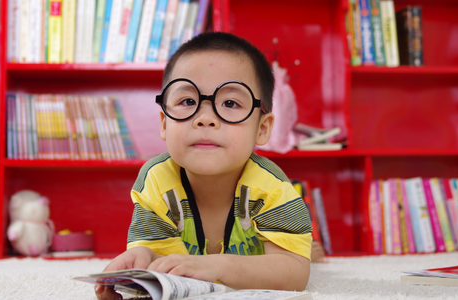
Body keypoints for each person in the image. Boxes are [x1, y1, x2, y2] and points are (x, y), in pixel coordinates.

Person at [96, 32, 313, 300]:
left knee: (307, 252)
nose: (206, 119)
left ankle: (311, 246)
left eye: (230, 103)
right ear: (164, 123)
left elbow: (295, 272)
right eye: (188, 101)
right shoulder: (156, 180)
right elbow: (167, 264)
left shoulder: (272, 187)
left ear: (263, 128)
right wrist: (145, 258)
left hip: (264, 256)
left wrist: (217, 265)